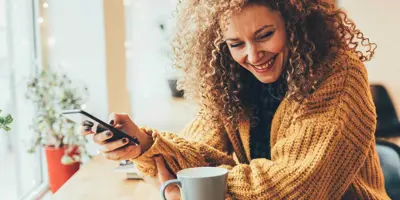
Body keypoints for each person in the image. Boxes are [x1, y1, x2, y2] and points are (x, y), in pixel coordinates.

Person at [82, 0, 390, 199]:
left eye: (264, 35)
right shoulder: (230, 80)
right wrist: (144, 144)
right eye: (235, 43)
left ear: (294, 23)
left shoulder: (338, 71)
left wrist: (192, 189)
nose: (253, 56)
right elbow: (198, 154)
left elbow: (299, 188)